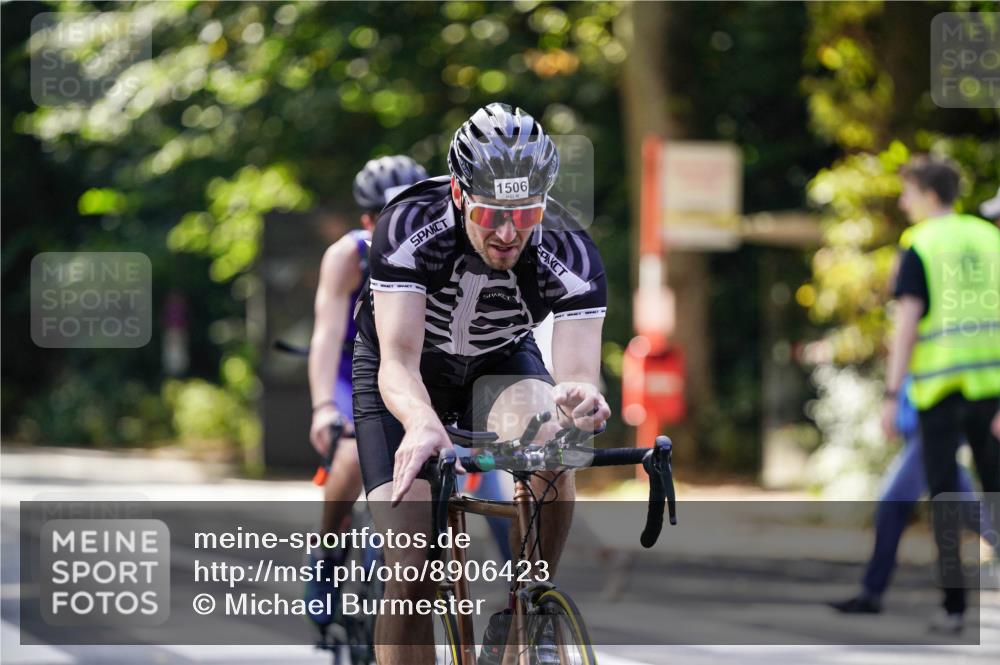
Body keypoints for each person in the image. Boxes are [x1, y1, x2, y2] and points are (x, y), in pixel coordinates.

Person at [351, 103, 610, 665]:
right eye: (493, 212)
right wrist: (421, 422)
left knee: (554, 443)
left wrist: (581, 399)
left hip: (499, 361)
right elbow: (395, 360)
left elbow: (579, 376)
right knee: (413, 570)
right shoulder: (409, 222)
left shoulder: (567, 247)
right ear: (462, 195)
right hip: (406, 372)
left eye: (526, 212)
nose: (509, 231)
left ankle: (530, 612)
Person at [304, 155, 428, 624]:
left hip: (408, 366)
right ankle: (327, 549)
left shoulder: (434, 248)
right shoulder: (348, 256)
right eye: (385, 217)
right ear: (366, 221)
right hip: (348, 369)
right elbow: (326, 336)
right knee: (353, 455)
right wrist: (322, 408)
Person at [880, 156, 1000, 633]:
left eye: (908, 192)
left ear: (930, 195)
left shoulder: (921, 245)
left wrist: (892, 394)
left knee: (946, 498)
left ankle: (954, 608)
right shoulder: (990, 238)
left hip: (938, 392)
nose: (903, 202)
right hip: (992, 389)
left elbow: (906, 325)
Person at [829, 378, 989, 614]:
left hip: (932, 427)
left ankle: (871, 593)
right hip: (925, 426)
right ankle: (871, 592)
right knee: (973, 511)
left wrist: (893, 402)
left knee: (892, 504)